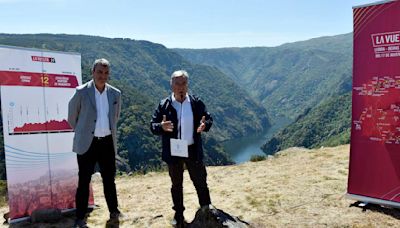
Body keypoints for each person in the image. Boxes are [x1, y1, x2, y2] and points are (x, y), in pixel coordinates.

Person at [150, 70, 213, 228]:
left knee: (200, 182)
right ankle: (178, 215)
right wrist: (161, 127)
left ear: (187, 85)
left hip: (192, 149)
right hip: (174, 150)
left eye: (184, 83)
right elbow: (152, 126)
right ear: (171, 85)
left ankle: (206, 210)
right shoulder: (164, 105)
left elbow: (208, 118)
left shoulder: (196, 102)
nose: (181, 87)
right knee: (176, 184)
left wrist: (205, 125)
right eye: (177, 83)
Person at [68, 58, 122, 228]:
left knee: (109, 180)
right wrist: (83, 132)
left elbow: (115, 117)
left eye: (106, 73)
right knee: (83, 181)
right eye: (99, 72)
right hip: (87, 143)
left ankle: (114, 211)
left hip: (107, 142)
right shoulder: (81, 92)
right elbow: (72, 118)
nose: (102, 76)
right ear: (92, 72)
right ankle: (80, 218)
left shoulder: (115, 94)